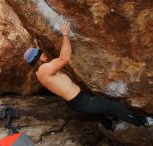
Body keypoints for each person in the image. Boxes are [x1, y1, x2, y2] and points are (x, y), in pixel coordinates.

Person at [23, 22, 153, 130]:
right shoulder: (44, 69)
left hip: (75, 101)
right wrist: (65, 35)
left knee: (95, 109)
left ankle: (109, 125)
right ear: (37, 59)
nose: (44, 53)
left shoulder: (40, 73)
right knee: (114, 106)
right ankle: (142, 122)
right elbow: (64, 58)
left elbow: (58, 65)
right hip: (80, 100)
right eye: (40, 53)